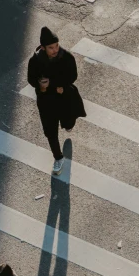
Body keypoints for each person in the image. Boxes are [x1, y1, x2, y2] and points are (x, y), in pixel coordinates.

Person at [27, 26, 86, 175]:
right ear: (42, 47)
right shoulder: (35, 61)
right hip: (46, 99)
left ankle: (68, 123)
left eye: (56, 46)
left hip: (64, 95)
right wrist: (41, 86)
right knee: (50, 131)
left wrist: (58, 85)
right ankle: (58, 158)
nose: (55, 50)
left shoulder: (66, 56)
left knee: (68, 121)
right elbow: (31, 79)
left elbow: (72, 76)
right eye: (51, 47)